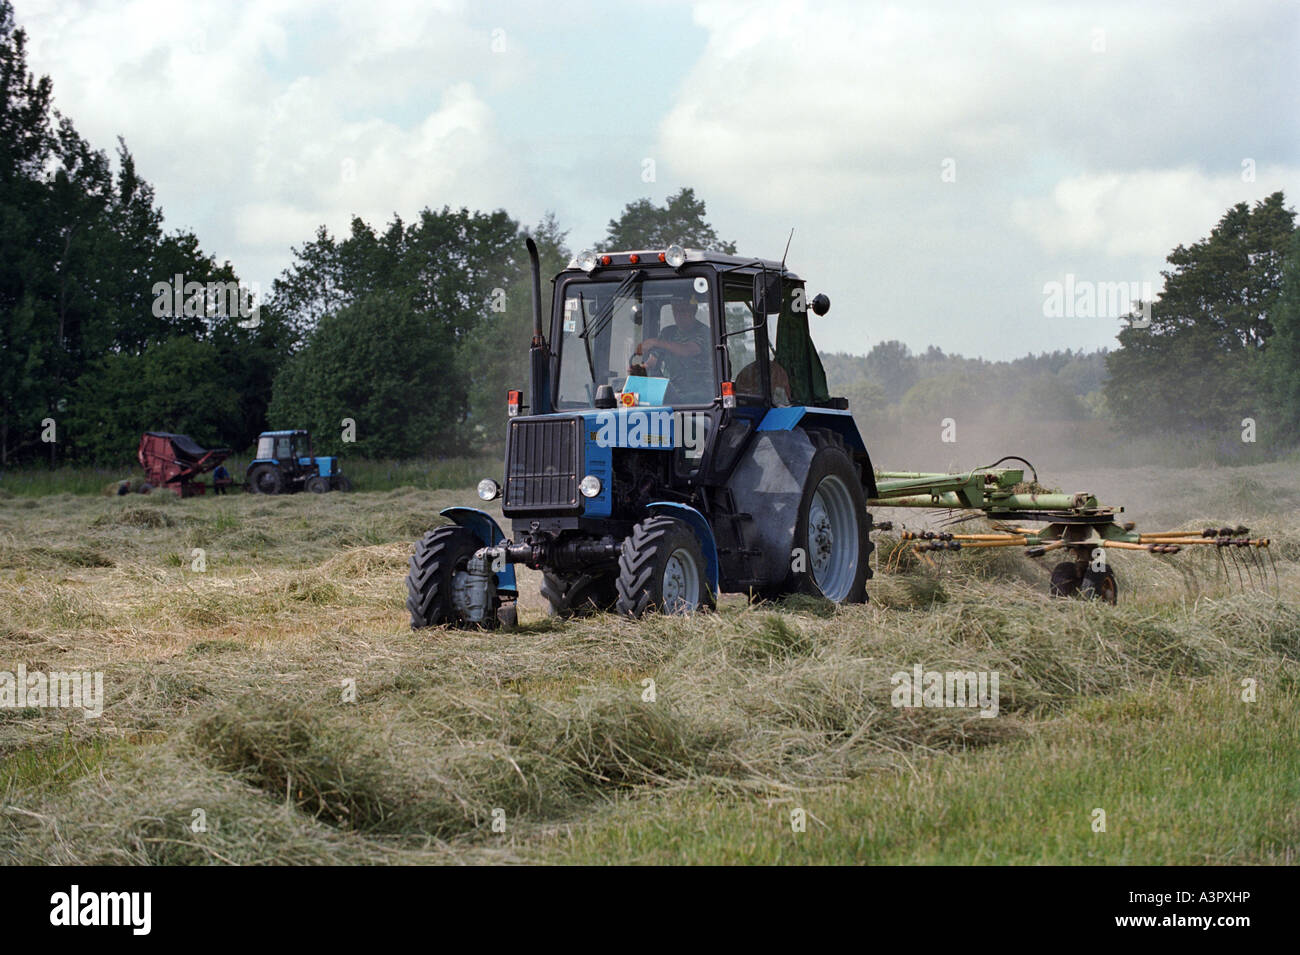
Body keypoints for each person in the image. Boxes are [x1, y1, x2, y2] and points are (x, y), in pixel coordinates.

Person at [634, 292, 712, 400]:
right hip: (671, 393)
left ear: (693, 311)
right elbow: (652, 361)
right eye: (675, 311)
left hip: (700, 397)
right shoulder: (667, 333)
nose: (678, 315)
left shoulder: (704, 332)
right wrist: (640, 370)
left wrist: (655, 342)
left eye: (683, 311)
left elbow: (688, 350)